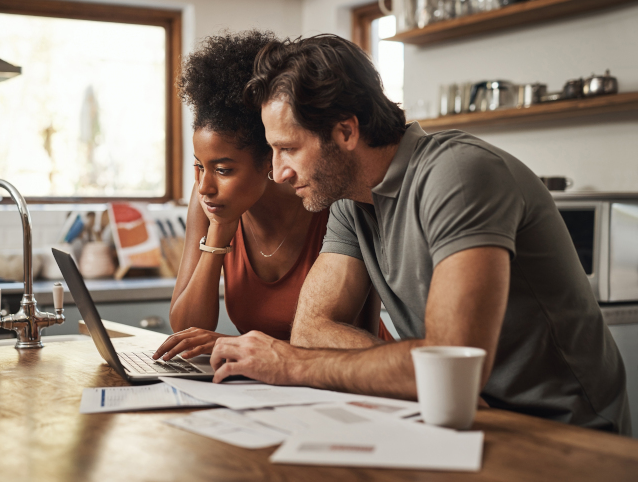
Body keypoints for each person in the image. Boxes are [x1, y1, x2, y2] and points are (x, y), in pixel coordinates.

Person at [208, 34, 630, 435]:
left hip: (560, 432)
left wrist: (294, 365)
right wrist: (417, 374)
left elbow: (449, 367)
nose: (280, 173)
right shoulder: (349, 202)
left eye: (289, 149)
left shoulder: (459, 175)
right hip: (457, 417)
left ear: (346, 132)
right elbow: (312, 330)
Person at [153, 31, 391, 363]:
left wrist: (234, 344)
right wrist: (220, 232)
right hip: (268, 381)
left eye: (223, 170)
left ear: (269, 159)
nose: (204, 186)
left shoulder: (328, 198)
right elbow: (185, 329)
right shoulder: (210, 202)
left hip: (351, 374)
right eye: (198, 166)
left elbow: (346, 335)